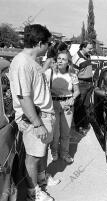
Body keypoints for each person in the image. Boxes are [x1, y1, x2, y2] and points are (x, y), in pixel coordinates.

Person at [9, 24, 56, 201]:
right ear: (39, 43)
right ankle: (32, 192)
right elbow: (23, 97)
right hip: (35, 118)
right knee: (33, 156)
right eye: (48, 43)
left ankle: (41, 180)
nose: (49, 46)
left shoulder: (32, 62)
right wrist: (37, 123)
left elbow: (35, 86)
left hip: (44, 115)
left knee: (40, 154)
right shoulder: (22, 63)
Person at [45, 51, 80, 164]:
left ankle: (64, 153)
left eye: (63, 59)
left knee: (66, 132)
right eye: (59, 58)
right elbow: (42, 90)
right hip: (53, 104)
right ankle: (54, 151)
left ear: (68, 62)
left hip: (67, 105)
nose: (60, 61)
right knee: (55, 133)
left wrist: (72, 98)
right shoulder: (49, 73)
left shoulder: (72, 74)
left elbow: (77, 91)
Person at [72, 41, 94, 133]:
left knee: (86, 105)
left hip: (89, 83)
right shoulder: (76, 58)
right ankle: (79, 126)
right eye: (89, 48)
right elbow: (73, 74)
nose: (91, 50)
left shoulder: (88, 56)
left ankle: (84, 123)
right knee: (79, 106)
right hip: (81, 84)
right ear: (83, 47)